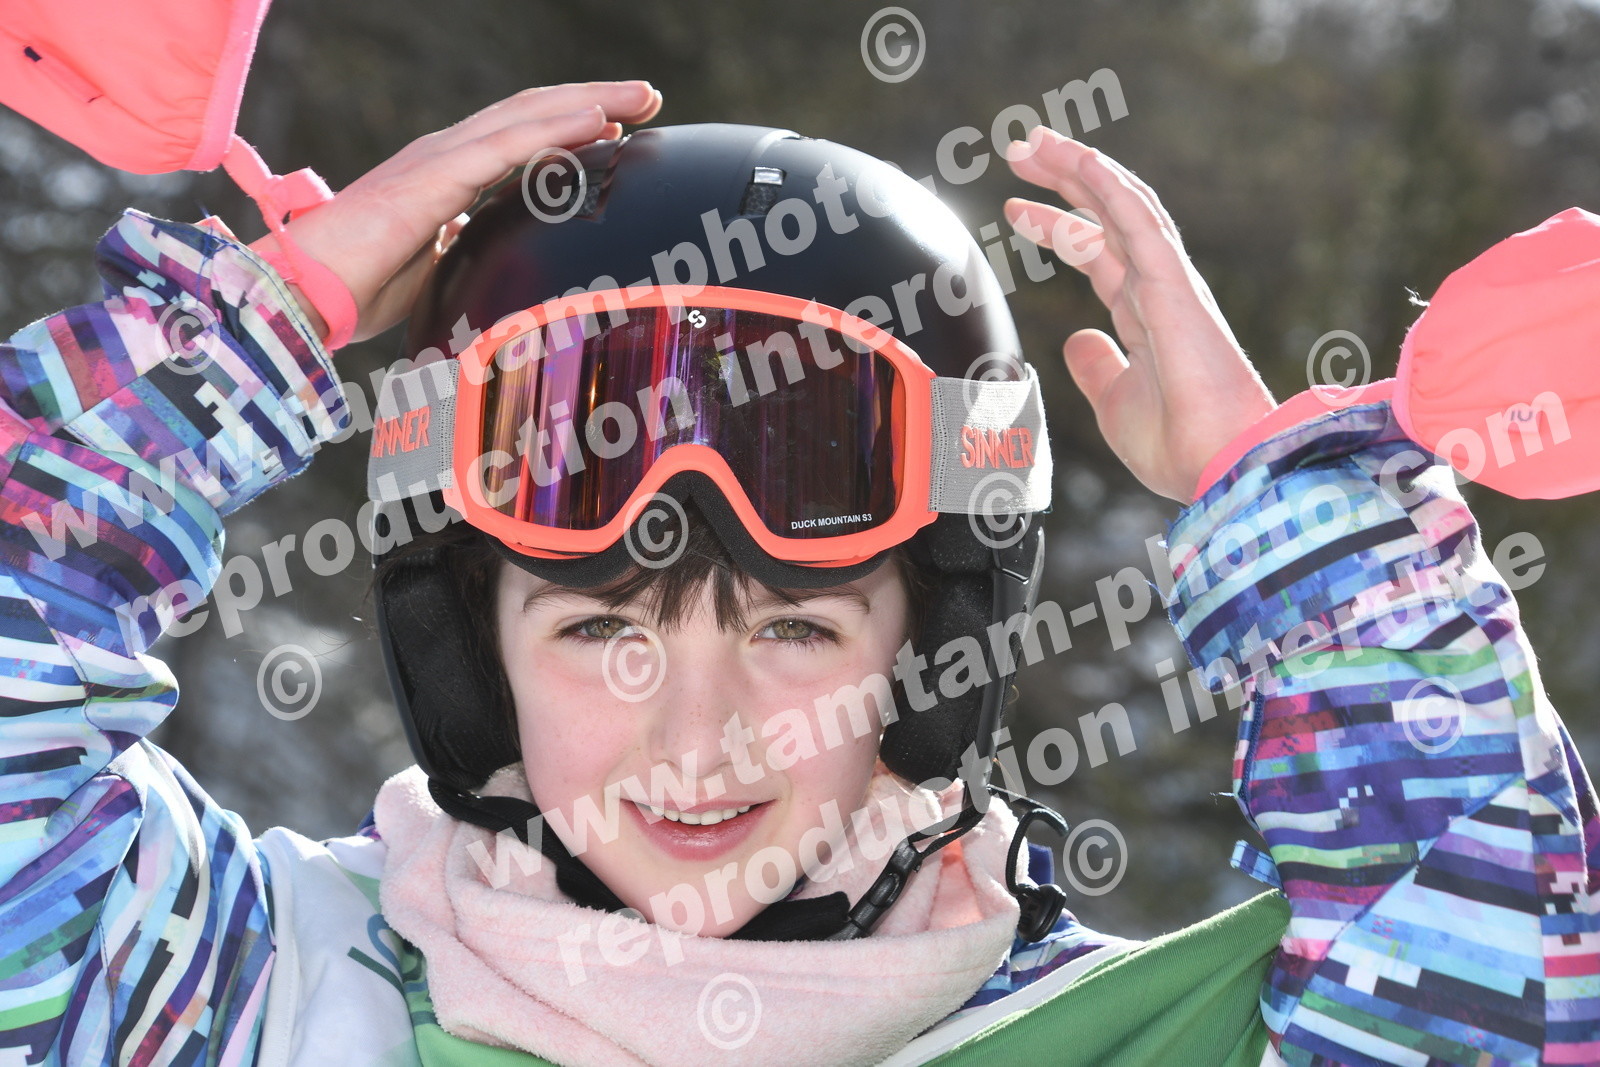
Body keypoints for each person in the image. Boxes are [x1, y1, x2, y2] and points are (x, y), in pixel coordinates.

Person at [0, 77, 1592, 1067]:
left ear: (928, 647)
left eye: (798, 628)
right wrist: (240, 341)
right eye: (596, 629)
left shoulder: (1150, 1044)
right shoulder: (258, 999)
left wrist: (1302, 534)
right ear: (467, 646)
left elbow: (1498, 987)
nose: (697, 740)